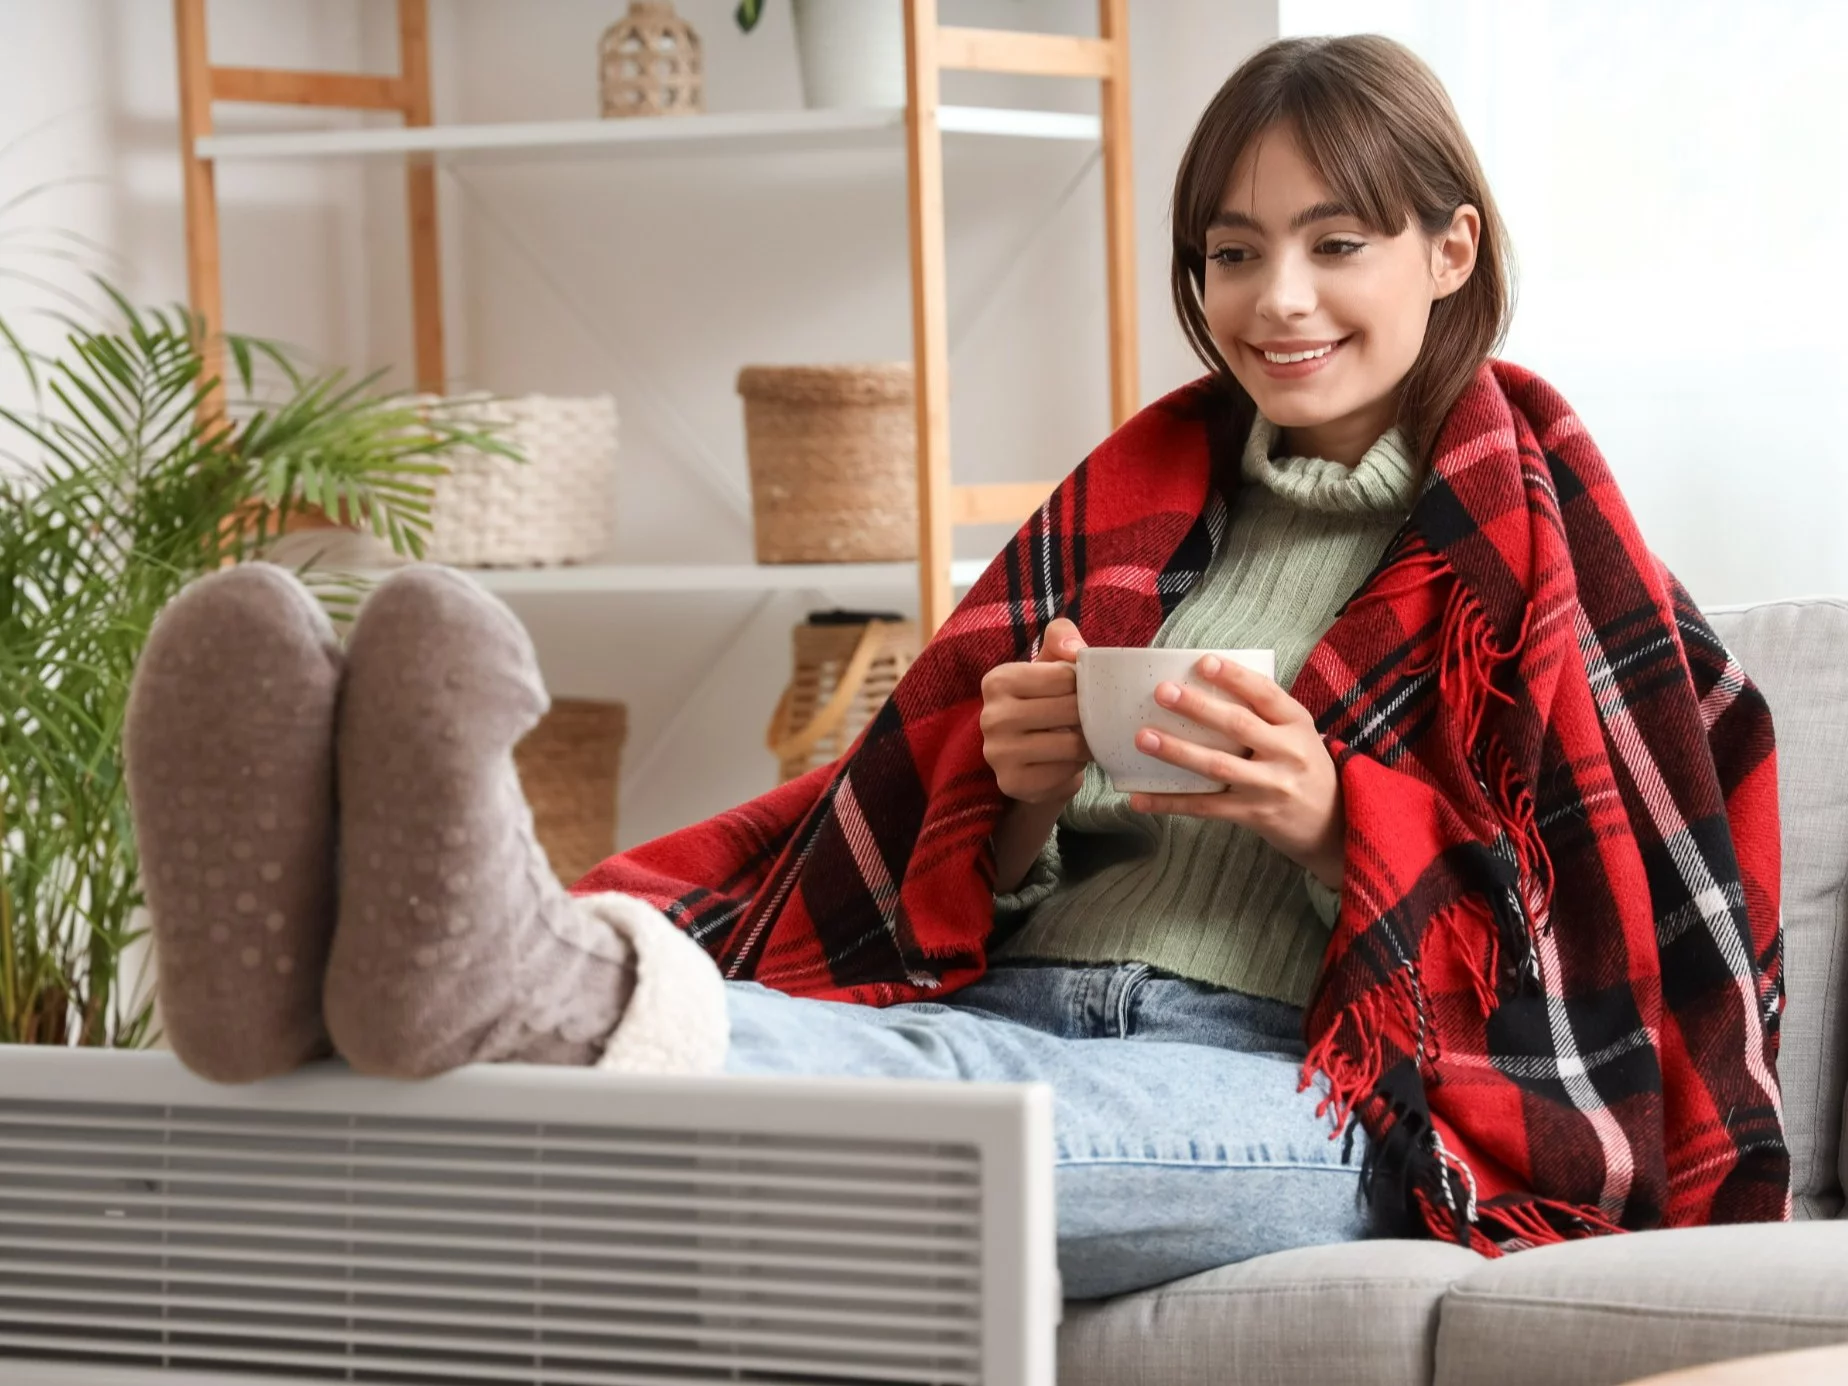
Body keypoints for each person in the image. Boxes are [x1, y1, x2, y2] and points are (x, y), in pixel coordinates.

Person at [123, 34, 1787, 1302]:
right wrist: (1016, 796)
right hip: (1003, 1000)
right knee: (937, 1065)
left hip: (1313, 1097)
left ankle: (523, 990)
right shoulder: (1139, 498)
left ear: (1449, 249)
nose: (1274, 300)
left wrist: (1334, 816)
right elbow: (917, 875)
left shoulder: (1552, 549)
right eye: (1229, 251)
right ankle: (333, 988)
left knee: (950, 1106)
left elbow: (1600, 946)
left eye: (1335, 243)